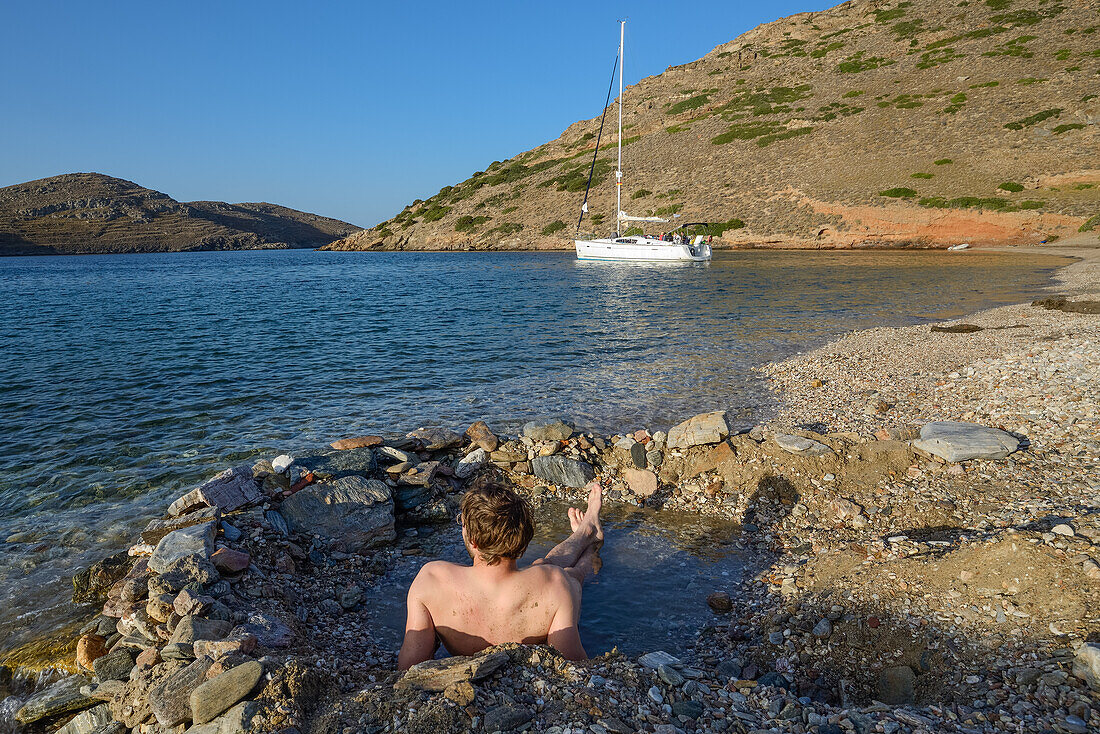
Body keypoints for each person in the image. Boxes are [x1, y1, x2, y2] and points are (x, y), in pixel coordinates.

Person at [397, 481, 604, 670]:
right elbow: (573, 663)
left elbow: (410, 666)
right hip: (545, 598)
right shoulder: (556, 583)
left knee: (548, 570)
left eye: (463, 524)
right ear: (522, 541)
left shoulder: (430, 579)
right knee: (565, 574)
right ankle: (590, 542)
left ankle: (588, 533)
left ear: (474, 541)